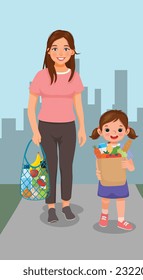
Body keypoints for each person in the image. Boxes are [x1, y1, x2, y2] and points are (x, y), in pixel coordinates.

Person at [28, 30, 86, 223]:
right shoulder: (41, 76)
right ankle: (51, 207)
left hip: (68, 127)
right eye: (55, 48)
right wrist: (35, 130)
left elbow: (78, 105)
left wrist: (82, 128)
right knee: (50, 168)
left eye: (65, 48)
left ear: (72, 52)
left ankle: (66, 205)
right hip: (46, 127)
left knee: (67, 167)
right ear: (48, 51)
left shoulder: (74, 77)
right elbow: (31, 107)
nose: (60, 52)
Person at [90, 110, 138, 230]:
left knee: (120, 200)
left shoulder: (124, 149)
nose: (114, 133)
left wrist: (128, 164)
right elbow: (98, 162)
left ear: (126, 130)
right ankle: (104, 215)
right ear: (100, 131)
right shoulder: (102, 149)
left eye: (119, 129)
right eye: (107, 129)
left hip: (120, 180)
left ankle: (121, 220)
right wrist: (97, 172)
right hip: (105, 179)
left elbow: (132, 168)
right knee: (105, 199)